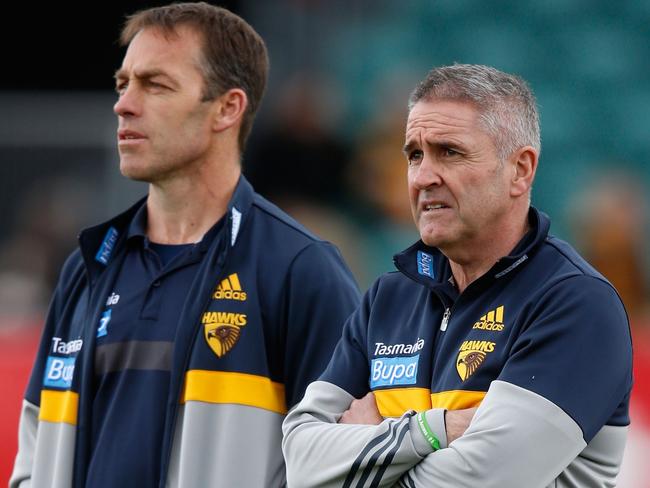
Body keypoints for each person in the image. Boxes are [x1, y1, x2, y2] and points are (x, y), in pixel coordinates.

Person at [10, 3, 360, 487]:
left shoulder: (300, 268)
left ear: (227, 108)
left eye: (155, 85)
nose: (124, 104)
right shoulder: (86, 268)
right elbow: (34, 450)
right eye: (123, 83)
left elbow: (347, 460)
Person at [282, 64, 633, 487]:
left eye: (449, 152)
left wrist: (362, 446)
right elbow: (300, 464)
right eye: (415, 154)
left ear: (520, 170)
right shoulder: (388, 298)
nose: (423, 177)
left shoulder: (574, 302)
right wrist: (435, 430)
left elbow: (476, 483)